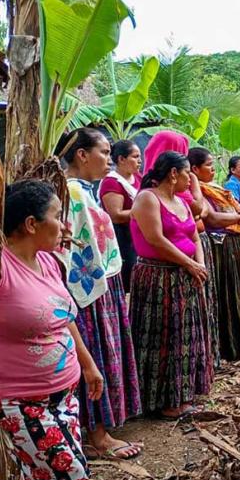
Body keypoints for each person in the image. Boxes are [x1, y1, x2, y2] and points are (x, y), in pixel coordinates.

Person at [0, 180, 102, 480]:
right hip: (19, 403)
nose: (64, 225)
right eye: (57, 216)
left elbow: (62, 316)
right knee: (73, 476)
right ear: (31, 224)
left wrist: (88, 364)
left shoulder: (47, 261)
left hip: (64, 396)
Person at [58, 128, 142, 459]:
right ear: (82, 155)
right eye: (104, 152)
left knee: (99, 355)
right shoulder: (72, 193)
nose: (108, 159)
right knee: (93, 354)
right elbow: (75, 248)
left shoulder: (83, 191)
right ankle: (96, 436)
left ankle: (97, 430)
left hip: (100, 284)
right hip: (89, 290)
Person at [130, 151, 213, 418]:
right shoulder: (147, 198)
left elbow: (195, 237)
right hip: (158, 278)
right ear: (174, 173)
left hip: (185, 276)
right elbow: (155, 239)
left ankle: (182, 395)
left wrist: (199, 264)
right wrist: (189, 264)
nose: (191, 179)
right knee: (162, 338)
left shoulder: (181, 202)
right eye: (188, 173)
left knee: (184, 337)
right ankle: (162, 401)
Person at [189, 148, 240, 361]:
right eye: (208, 165)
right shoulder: (197, 190)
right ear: (195, 169)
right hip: (223, 246)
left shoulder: (215, 186)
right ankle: (232, 342)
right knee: (230, 293)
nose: (213, 168)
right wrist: (238, 217)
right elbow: (212, 218)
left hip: (238, 241)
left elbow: (238, 206)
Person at [98, 139, 142, 291]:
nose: (139, 161)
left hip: (137, 235)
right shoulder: (112, 183)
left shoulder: (138, 178)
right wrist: (145, 212)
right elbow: (116, 215)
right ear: (121, 159)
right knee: (128, 279)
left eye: (139, 156)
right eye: (135, 157)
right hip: (123, 238)